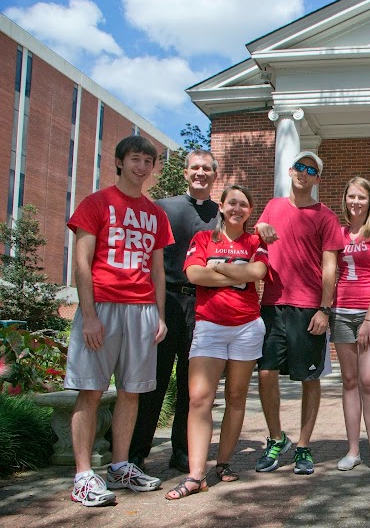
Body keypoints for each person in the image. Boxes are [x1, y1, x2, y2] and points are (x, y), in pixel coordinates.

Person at [65, 135, 173, 506]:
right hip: (103, 306)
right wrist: (89, 315)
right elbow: (82, 262)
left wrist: (159, 315)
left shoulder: (156, 213)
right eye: (135, 159)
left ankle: (120, 465)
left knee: (132, 391)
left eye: (148, 161)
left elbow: (158, 270)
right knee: (90, 390)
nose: (141, 167)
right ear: (119, 161)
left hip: (142, 310)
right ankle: (82, 476)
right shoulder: (96, 203)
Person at [165, 185, 268, 499]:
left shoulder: (255, 241)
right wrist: (238, 275)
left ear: (250, 211)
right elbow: (195, 275)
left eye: (244, 205)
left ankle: (223, 463)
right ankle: (196, 475)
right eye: (232, 203)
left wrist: (219, 267)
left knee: (236, 398)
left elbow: (259, 271)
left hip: (247, 327)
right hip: (209, 325)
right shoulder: (203, 239)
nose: (237, 208)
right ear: (221, 207)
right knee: (199, 398)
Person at [254, 151, 344, 475]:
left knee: (310, 378)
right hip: (273, 305)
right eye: (300, 167)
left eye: (311, 170)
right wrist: (260, 227)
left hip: (308, 308)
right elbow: (260, 241)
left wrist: (324, 308)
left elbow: (330, 265)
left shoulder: (326, 217)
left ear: (317, 178)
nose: (304, 173)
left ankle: (304, 447)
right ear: (290, 170)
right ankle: (277, 438)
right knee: (266, 373)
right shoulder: (273, 207)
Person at [129, 149, 219, 473]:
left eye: (207, 169)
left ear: (214, 175)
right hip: (165, 301)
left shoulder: (220, 216)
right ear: (185, 173)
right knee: (153, 380)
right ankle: (136, 452)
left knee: (190, 383)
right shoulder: (162, 208)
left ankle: (182, 451)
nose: (200, 173)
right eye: (195, 168)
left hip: (203, 303)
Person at [330, 177, 370, 477]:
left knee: (369, 380)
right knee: (350, 381)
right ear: (345, 199)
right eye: (351, 196)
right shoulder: (338, 233)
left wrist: (369, 319)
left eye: (362, 197)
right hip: (341, 312)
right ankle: (353, 450)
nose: (356, 202)